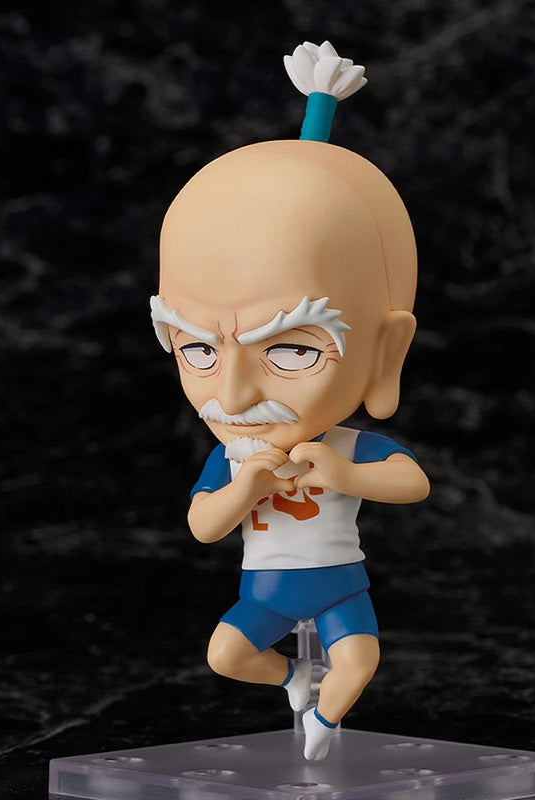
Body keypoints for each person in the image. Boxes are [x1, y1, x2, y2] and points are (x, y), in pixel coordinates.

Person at [151, 44, 430, 761]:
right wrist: (244, 485)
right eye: (198, 350)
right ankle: (292, 681)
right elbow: (204, 527)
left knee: (360, 662)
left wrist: (344, 474)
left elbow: (412, 483)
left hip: (339, 590)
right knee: (225, 656)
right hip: (265, 593)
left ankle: (326, 722)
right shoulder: (234, 458)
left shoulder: (346, 447)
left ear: (385, 355)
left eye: (292, 352)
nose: (233, 395)